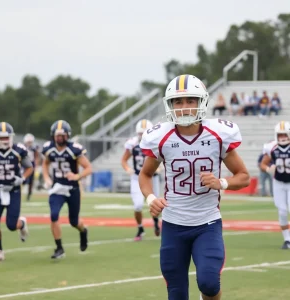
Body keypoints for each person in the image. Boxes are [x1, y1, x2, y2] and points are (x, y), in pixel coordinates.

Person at [139, 74, 250, 300]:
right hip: (173, 224)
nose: (184, 107)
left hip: (207, 223)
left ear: (202, 102)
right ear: (170, 105)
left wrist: (222, 183)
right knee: (177, 293)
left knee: (209, 283)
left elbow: (244, 176)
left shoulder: (218, 135)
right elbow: (145, 174)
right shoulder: (161, 137)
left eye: (190, 100)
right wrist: (151, 199)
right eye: (178, 102)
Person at [42, 120, 92, 259]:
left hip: (72, 189)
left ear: (67, 135)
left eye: (62, 135)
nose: (59, 138)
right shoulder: (49, 148)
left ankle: (83, 231)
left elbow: (88, 168)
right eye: (57, 135)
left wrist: (77, 176)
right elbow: (45, 164)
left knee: (74, 221)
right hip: (57, 188)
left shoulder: (74, 149)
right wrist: (46, 178)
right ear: (53, 135)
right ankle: (59, 248)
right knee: (54, 215)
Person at [0, 122, 33, 262]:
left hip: (13, 190)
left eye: (7, 137)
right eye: (1, 138)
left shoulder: (18, 150)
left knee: (11, 225)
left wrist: (22, 178)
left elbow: (29, 168)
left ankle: (22, 223)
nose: (4, 140)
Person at [121, 119, 161, 241]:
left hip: (152, 177)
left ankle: (155, 222)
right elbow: (124, 160)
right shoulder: (132, 144)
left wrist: (160, 167)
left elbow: (164, 157)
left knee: (155, 204)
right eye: (140, 133)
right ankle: (140, 228)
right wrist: (127, 168)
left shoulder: (156, 143)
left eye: (144, 133)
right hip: (137, 178)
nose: (142, 135)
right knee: (138, 205)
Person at [260, 121, 290, 249]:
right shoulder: (271, 147)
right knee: (282, 211)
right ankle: (287, 240)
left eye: (284, 134)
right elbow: (263, 164)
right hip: (278, 182)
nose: (282, 137)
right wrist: (268, 169)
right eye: (280, 135)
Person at [22, 133, 39, 201]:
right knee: (23, 179)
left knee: (31, 182)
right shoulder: (22, 147)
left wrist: (36, 165)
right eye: (28, 142)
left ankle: (29, 195)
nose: (29, 143)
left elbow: (36, 156)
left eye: (30, 142)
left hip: (31, 164)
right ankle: (18, 192)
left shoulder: (34, 148)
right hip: (24, 164)